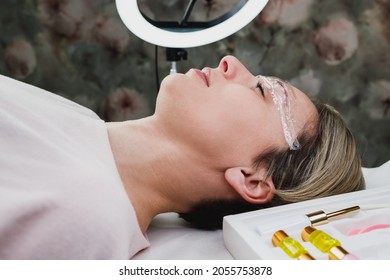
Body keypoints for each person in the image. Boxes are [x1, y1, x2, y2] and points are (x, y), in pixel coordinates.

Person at [0, 55, 365, 259]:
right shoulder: (79, 123)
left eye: (261, 92)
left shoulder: (84, 216)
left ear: (252, 179)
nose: (230, 63)